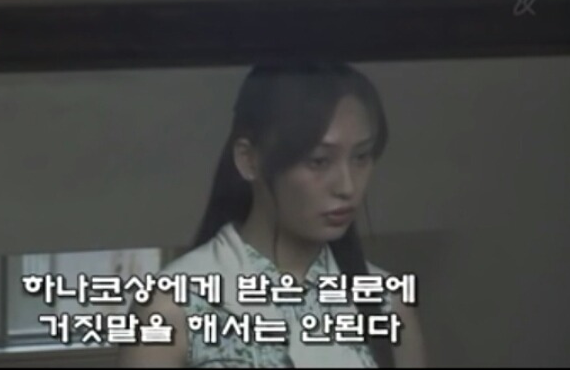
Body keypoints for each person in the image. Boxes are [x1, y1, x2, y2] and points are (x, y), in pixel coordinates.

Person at [117, 62, 426, 368]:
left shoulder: (388, 303)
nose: (347, 187)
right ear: (249, 160)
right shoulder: (172, 306)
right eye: (319, 161)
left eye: (361, 157)